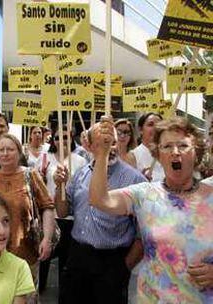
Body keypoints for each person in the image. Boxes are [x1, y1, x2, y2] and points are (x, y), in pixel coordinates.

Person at [89, 116, 213, 303]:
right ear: (158, 154)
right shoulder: (144, 194)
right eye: (167, 146)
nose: (175, 152)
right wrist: (102, 154)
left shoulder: (210, 195)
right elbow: (100, 199)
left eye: (183, 146)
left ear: (196, 152)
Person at [54, 121, 146, 304]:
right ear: (89, 145)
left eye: (110, 141)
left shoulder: (135, 180)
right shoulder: (79, 175)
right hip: (78, 259)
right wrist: (60, 187)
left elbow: (143, 233)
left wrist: (124, 267)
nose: (107, 147)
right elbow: (63, 212)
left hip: (112, 263)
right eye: (100, 142)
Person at [0, 133, 55, 302]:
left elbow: (48, 208)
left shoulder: (31, 175)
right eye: (1, 149)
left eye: (10, 149)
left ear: (19, 153)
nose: (5, 153)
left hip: (25, 255)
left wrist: (47, 239)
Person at [37, 127, 87, 293]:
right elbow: (37, 182)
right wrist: (43, 177)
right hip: (49, 213)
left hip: (69, 216)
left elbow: (83, 186)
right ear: (53, 140)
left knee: (65, 257)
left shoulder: (79, 160)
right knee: (45, 255)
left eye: (65, 137)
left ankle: (64, 293)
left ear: (71, 138)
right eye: (57, 137)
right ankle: (41, 288)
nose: (61, 141)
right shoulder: (45, 158)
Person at [130, 112, 164, 181]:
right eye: (150, 124)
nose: (155, 128)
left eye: (159, 125)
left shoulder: (169, 154)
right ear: (140, 130)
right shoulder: (133, 156)